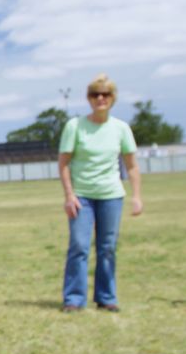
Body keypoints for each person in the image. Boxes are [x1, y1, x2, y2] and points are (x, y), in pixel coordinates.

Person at [58, 73, 143, 313]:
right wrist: (69, 195)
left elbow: (132, 165)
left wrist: (136, 196)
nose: (100, 99)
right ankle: (74, 299)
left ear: (113, 98)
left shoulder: (121, 128)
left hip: (111, 196)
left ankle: (106, 297)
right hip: (82, 196)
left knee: (107, 247)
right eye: (95, 94)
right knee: (79, 246)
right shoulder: (74, 127)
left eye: (105, 94)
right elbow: (64, 163)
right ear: (88, 99)